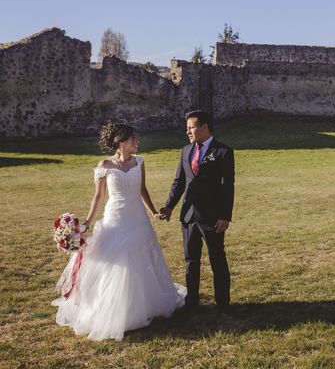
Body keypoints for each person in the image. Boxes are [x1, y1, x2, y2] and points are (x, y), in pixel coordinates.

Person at [52, 123, 185, 341]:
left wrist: (153, 212)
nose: (137, 142)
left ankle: (145, 307)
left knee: (142, 260)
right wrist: (86, 223)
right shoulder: (104, 165)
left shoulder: (139, 162)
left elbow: (143, 190)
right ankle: (115, 311)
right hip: (115, 218)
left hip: (138, 218)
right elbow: (98, 198)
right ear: (120, 142)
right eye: (133, 139)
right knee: (116, 260)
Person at [159, 110, 235, 310]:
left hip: (212, 217)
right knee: (190, 260)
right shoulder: (186, 151)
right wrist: (169, 207)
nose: (188, 132)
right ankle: (192, 301)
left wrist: (225, 216)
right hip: (188, 215)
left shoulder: (223, 152)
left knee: (217, 258)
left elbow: (228, 187)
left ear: (204, 127)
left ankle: (223, 303)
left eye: (191, 127)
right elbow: (179, 181)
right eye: (187, 128)